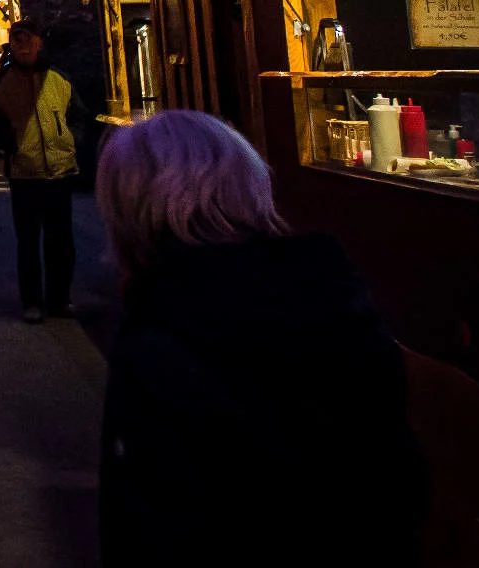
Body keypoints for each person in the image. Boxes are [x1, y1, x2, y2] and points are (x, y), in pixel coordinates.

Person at [95, 111, 426, 564]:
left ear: (131, 208)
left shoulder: (162, 336)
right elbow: (396, 476)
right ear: (249, 183)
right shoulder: (331, 291)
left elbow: (148, 526)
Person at [0, 19, 88, 322]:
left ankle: (60, 299)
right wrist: (11, 145)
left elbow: (78, 115)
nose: (22, 45)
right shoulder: (0, 82)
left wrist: (69, 139)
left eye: (27, 40)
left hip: (60, 171)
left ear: (38, 42)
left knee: (61, 241)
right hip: (24, 174)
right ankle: (32, 303)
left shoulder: (58, 79)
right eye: (17, 41)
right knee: (28, 241)